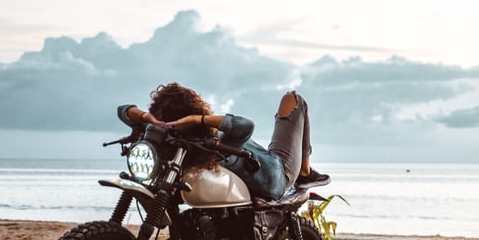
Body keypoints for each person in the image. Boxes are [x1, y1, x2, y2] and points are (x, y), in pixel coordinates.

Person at [118, 83, 329, 201]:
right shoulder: (173, 143)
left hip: (278, 173)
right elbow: (123, 111)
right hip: (258, 173)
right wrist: (148, 119)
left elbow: (246, 125)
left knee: (293, 99)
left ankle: (303, 172)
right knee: (292, 99)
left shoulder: (214, 140)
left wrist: (197, 120)